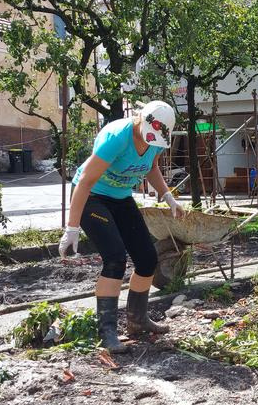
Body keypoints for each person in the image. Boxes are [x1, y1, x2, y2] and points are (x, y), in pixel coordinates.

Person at [59, 101, 185, 353]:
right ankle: (106, 332)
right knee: (115, 259)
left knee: (147, 259)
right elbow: (84, 182)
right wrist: (72, 228)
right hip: (91, 197)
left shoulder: (156, 140)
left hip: (120, 197)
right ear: (141, 120)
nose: (151, 143)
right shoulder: (117, 137)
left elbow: (151, 168)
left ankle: (137, 320)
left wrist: (168, 196)